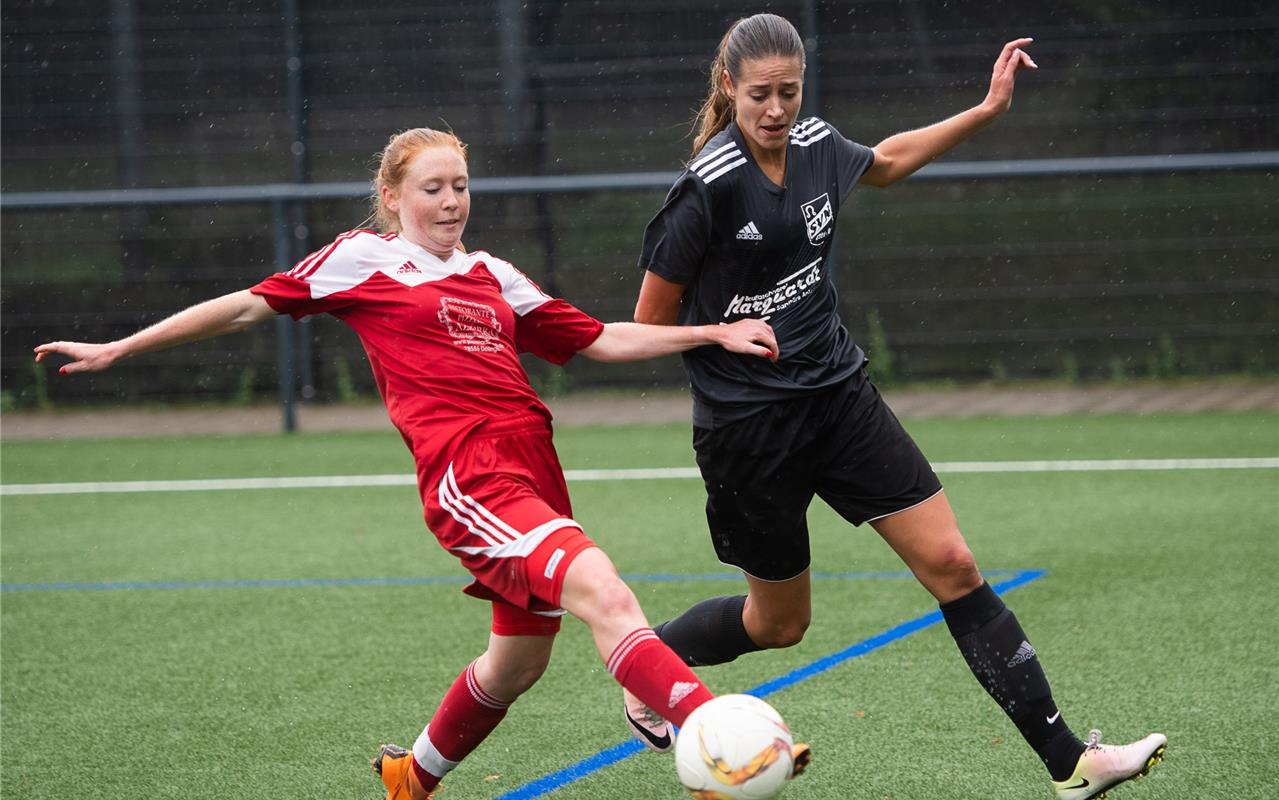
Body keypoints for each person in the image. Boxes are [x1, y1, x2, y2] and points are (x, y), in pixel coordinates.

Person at [33, 127, 802, 800]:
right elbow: (242, 305)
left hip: (533, 472)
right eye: (431, 188)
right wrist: (123, 346)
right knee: (603, 589)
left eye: (460, 186)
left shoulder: (491, 274)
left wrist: (710, 334)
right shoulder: (364, 260)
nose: (450, 201)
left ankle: (413, 778)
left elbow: (598, 339)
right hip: (471, 479)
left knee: (516, 664)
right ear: (392, 196)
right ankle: (717, 734)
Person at [626, 13, 1165, 800]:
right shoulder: (704, 189)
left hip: (839, 397)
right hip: (749, 429)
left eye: (788, 92)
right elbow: (643, 325)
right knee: (778, 625)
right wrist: (720, 330)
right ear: (726, 88)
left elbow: (883, 162)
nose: (775, 110)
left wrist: (984, 112)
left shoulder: (811, 143)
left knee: (953, 565)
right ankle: (648, 672)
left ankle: (1070, 766)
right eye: (759, 96)